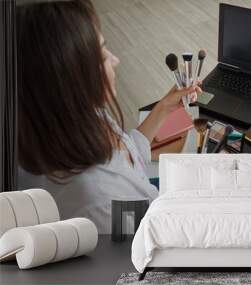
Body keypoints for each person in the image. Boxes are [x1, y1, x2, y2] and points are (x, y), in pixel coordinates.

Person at [16, 0, 201, 233]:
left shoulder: (79, 112)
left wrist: (164, 107)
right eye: (102, 55)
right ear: (69, 78)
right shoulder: (101, 203)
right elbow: (152, 249)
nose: (116, 60)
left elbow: (128, 155)